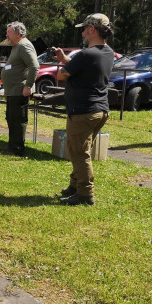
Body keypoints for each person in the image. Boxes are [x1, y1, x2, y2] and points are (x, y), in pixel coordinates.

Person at [52, 14, 115, 206]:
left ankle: (85, 194)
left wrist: (64, 63)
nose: (82, 33)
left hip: (83, 111)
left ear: (92, 30)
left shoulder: (86, 54)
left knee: (79, 153)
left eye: (84, 29)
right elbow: (83, 70)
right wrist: (66, 59)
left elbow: (61, 75)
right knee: (79, 150)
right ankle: (74, 186)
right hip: (99, 110)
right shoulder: (108, 52)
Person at [0, 21, 39, 156]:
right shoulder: (16, 46)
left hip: (20, 90)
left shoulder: (24, 45)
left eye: (9, 32)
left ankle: (17, 149)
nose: (7, 35)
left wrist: (28, 86)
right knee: (11, 119)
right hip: (12, 90)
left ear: (18, 33)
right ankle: (12, 146)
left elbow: (34, 66)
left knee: (18, 120)